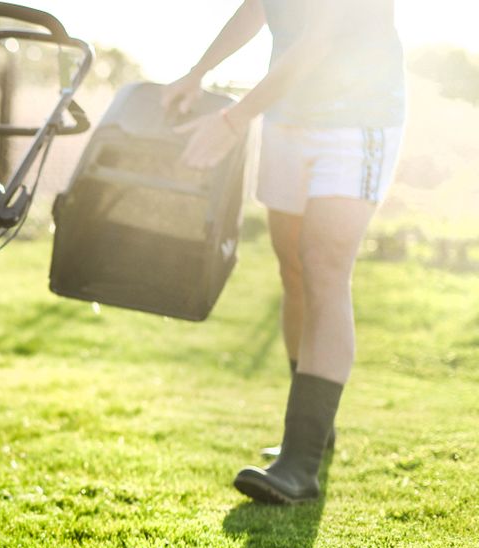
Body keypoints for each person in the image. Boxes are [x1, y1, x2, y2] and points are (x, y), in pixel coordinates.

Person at [161, 0, 405, 504]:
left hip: (357, 120)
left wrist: (231, 121)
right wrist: (197, 72)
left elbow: (317, 41)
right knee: (293, 268)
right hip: (288, 115)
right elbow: (257, 6)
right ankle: (316, 427)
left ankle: (300, 461)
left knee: (324, 268)